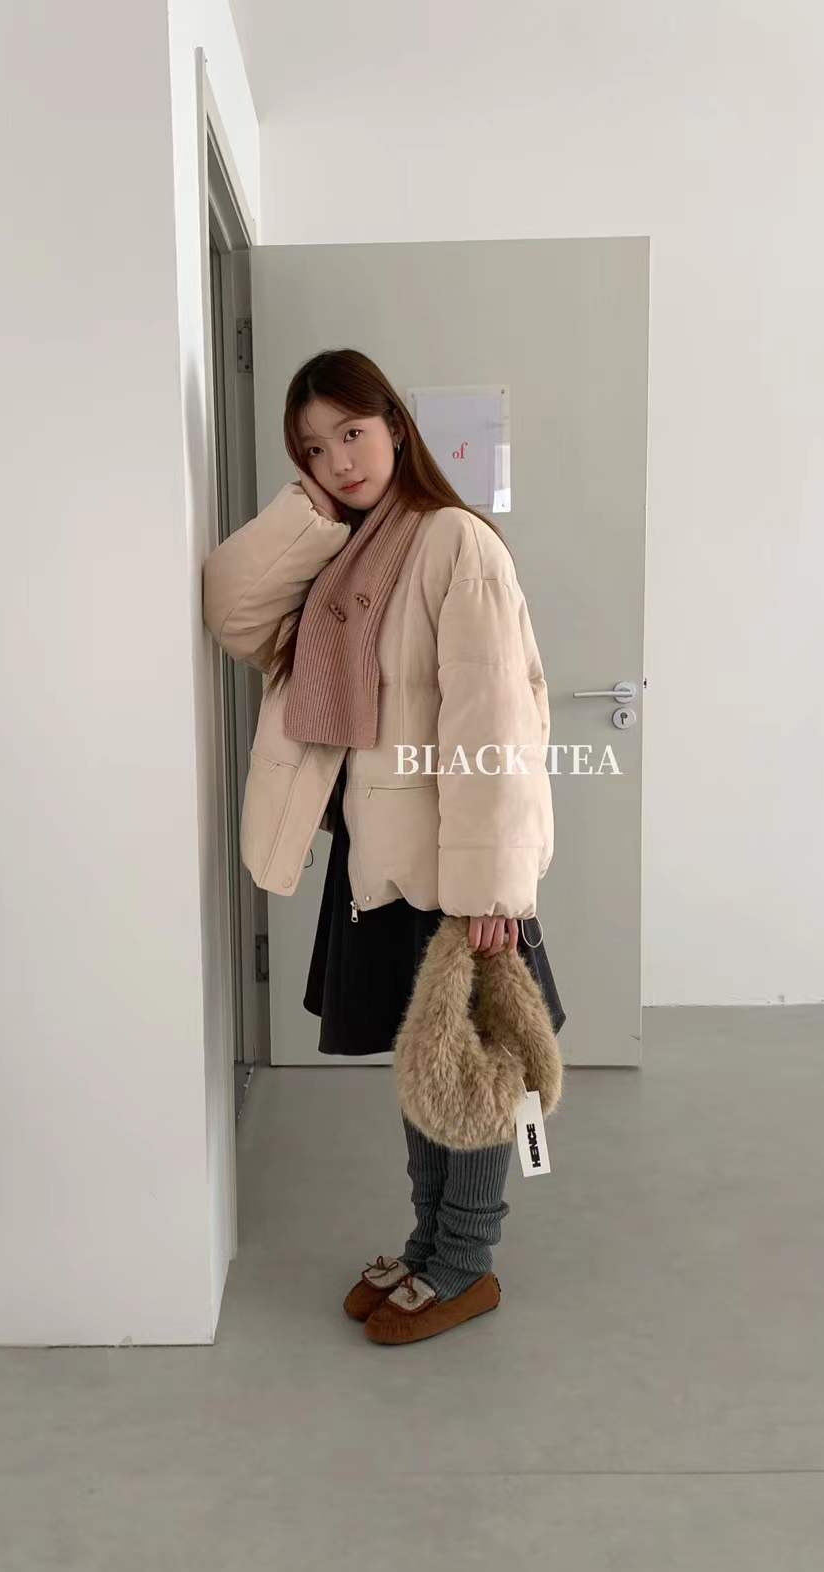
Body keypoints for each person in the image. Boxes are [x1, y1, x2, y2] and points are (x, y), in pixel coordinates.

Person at [202, 347, 563, 1345]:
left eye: (353, 434)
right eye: (315, 450)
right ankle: (426, 1244)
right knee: (425, 1065)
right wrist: (310, 515)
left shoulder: (452, 542)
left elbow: (494, 723)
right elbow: (231, 610)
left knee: (477, 1070)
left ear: (397, 427)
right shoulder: (345, 557)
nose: (340, 462)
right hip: (381, 864)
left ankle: (466, 1265)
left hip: (459, 871)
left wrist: (491, 889)